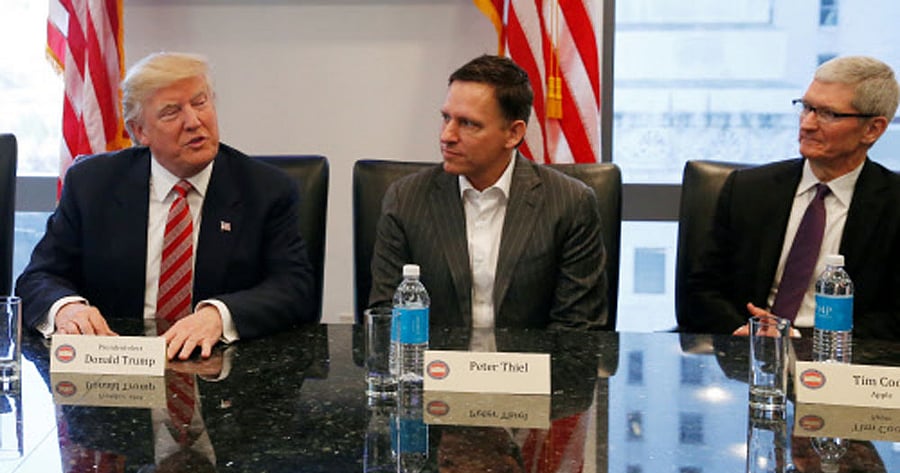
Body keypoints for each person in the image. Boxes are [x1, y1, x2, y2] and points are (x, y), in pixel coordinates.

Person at [15, 52, 316, 360]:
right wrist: (67, 308)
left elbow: (294, 287)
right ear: (139, 132)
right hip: (116, 367)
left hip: (218, 369)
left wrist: (219, 315)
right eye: (172, 112)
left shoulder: (265, 189)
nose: (194, 121)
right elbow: (38, 277)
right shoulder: (93, 183)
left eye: (200, 103)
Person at [368, 54, 607, 330]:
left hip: (530, 370)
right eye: (446, 118)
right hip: (434, 370)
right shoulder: (405, 199)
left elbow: (577, 330)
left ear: (513, 134)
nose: (447, 135)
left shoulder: (570, 203)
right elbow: (387, 316)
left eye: (468, 123)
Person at [685, 55, 900, 340]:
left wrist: (809, 342)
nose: (808, 124)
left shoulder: (893, 203)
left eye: (828, 114)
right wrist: (743, 331)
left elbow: (895, 315)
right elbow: (701, 289)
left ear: (873, 129)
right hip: (748, 350)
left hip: (844, 361)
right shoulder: (747, 190)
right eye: (806, 107)